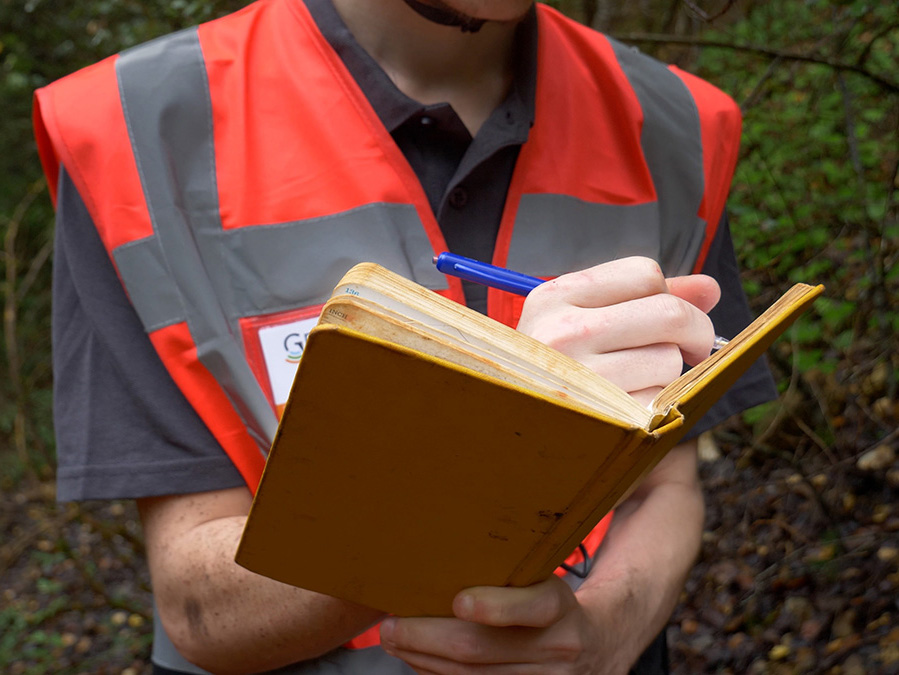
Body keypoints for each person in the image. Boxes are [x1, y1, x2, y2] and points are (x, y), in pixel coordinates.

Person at [34, 0, 777, 672]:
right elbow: (200, 608)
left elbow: (665, 484)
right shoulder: (136, 129)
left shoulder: (674, 124)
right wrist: (495, 458)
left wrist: (608, 631)